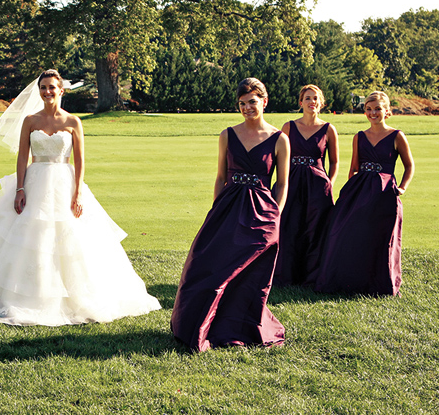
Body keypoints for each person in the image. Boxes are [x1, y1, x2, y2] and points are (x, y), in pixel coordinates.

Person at [0, 70, 161, 326]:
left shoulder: (73, 121)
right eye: (43, 87)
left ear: (61, 90)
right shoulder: (31, 120)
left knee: (71, 239)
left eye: (52, 87)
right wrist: (20, 189)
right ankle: (18, 296)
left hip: (65, 182)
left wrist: (78, 192)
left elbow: (80, 161)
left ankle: (73, 298)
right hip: (35, 181)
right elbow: (22, 157)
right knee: (27, 236)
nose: (47, 92)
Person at [171, 77, 290, 352]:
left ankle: (240, 327)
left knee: (249, 276)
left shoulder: (279, 139)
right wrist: (216, 211)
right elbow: (220, 176)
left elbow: (282, 182)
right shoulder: (227, 134)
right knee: (205, 266)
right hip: (227, 208)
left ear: (264, 101)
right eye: (242, 104)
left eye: (252, 102)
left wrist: (277, 213)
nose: (247, 108)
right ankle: (196, 324)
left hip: (262, 213)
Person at [314, 91, 414, 296]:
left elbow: (409, 166)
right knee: (346, 233)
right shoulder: (359, 136)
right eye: (368, 109)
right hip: (359, 191)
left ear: (387, 111)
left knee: (381, 238)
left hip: (385, 193)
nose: (373, 113)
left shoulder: (397, 136)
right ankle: (348, 281)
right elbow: (353, 169)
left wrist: (402, 187)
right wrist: (349, 197)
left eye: (377, 108)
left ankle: (380, 284)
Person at [273, 84, 339, 286]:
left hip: (318, 186)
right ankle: (286, 276)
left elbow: (335, 161)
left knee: (316, 229)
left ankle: (312, 278)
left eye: (315, 98)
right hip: (291, 182)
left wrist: (330, 183)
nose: (312, 102)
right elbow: (279, 159)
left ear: (322, 103)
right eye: (308, 98)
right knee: (289, 226)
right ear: (300, 102)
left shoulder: (329, 129)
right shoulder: (288, 127)